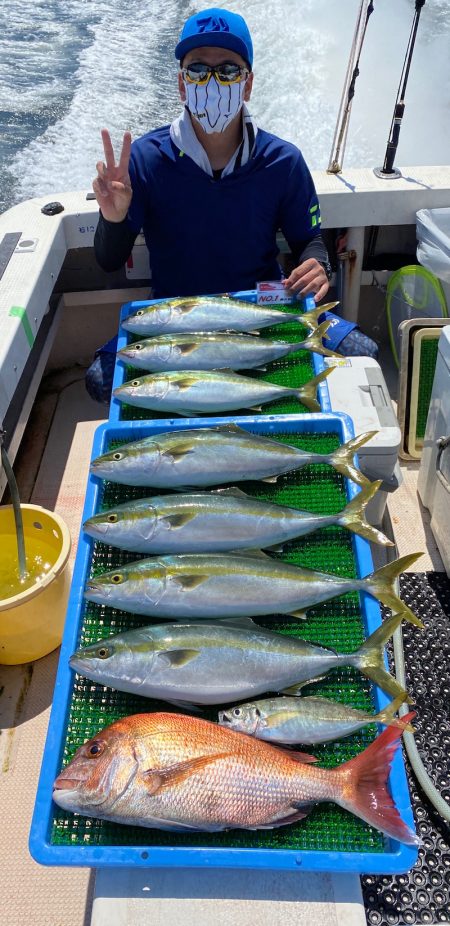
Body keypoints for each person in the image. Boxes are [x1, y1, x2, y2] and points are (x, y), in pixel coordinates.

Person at [86, 7, 376, 402]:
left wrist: (317, 266)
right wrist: (113, 217)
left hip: (264, 306)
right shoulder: (144, 160)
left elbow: (308, 239)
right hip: (175, 319)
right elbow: (108, 259)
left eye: (227, 70)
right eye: (197, 70)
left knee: (364, 353)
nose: (212, 81)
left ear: (248, 83)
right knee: (101, 381)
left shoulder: (283, 161)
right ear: (181, 84)